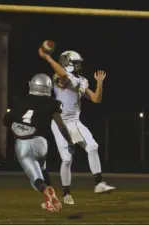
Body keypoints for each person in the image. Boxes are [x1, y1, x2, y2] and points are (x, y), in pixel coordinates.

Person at [39, 45, 115, 205]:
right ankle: (66, 193)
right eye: (76, 62)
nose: (79, 65)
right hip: (60, 123)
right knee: (66, 159)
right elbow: (63, 75)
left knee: (93, 146)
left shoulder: (81, 80)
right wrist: (47, 57)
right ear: (67, 63)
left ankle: (99, 183)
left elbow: (96, 99)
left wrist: (99, 83)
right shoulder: (61, 78)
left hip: (75, 121)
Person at [3, 73, 75, 212]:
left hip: (23, 144)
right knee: (41, 171)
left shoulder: (20, 101)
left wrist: (18, 127)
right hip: (41, 144)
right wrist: (70, 142)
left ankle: (46, 191)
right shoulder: (51, 104)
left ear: (32, 85)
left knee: (36, 179)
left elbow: (6, 121)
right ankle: (51, 200)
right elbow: (61, 126)